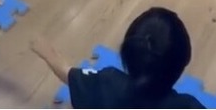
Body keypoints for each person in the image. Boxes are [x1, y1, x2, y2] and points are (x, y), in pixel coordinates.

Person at [30, 7, 205, 108]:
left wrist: (47, 52)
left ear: (128, 53)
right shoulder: (188, 106)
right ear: (184, 61)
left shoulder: (106, 83)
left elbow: (67, 73)